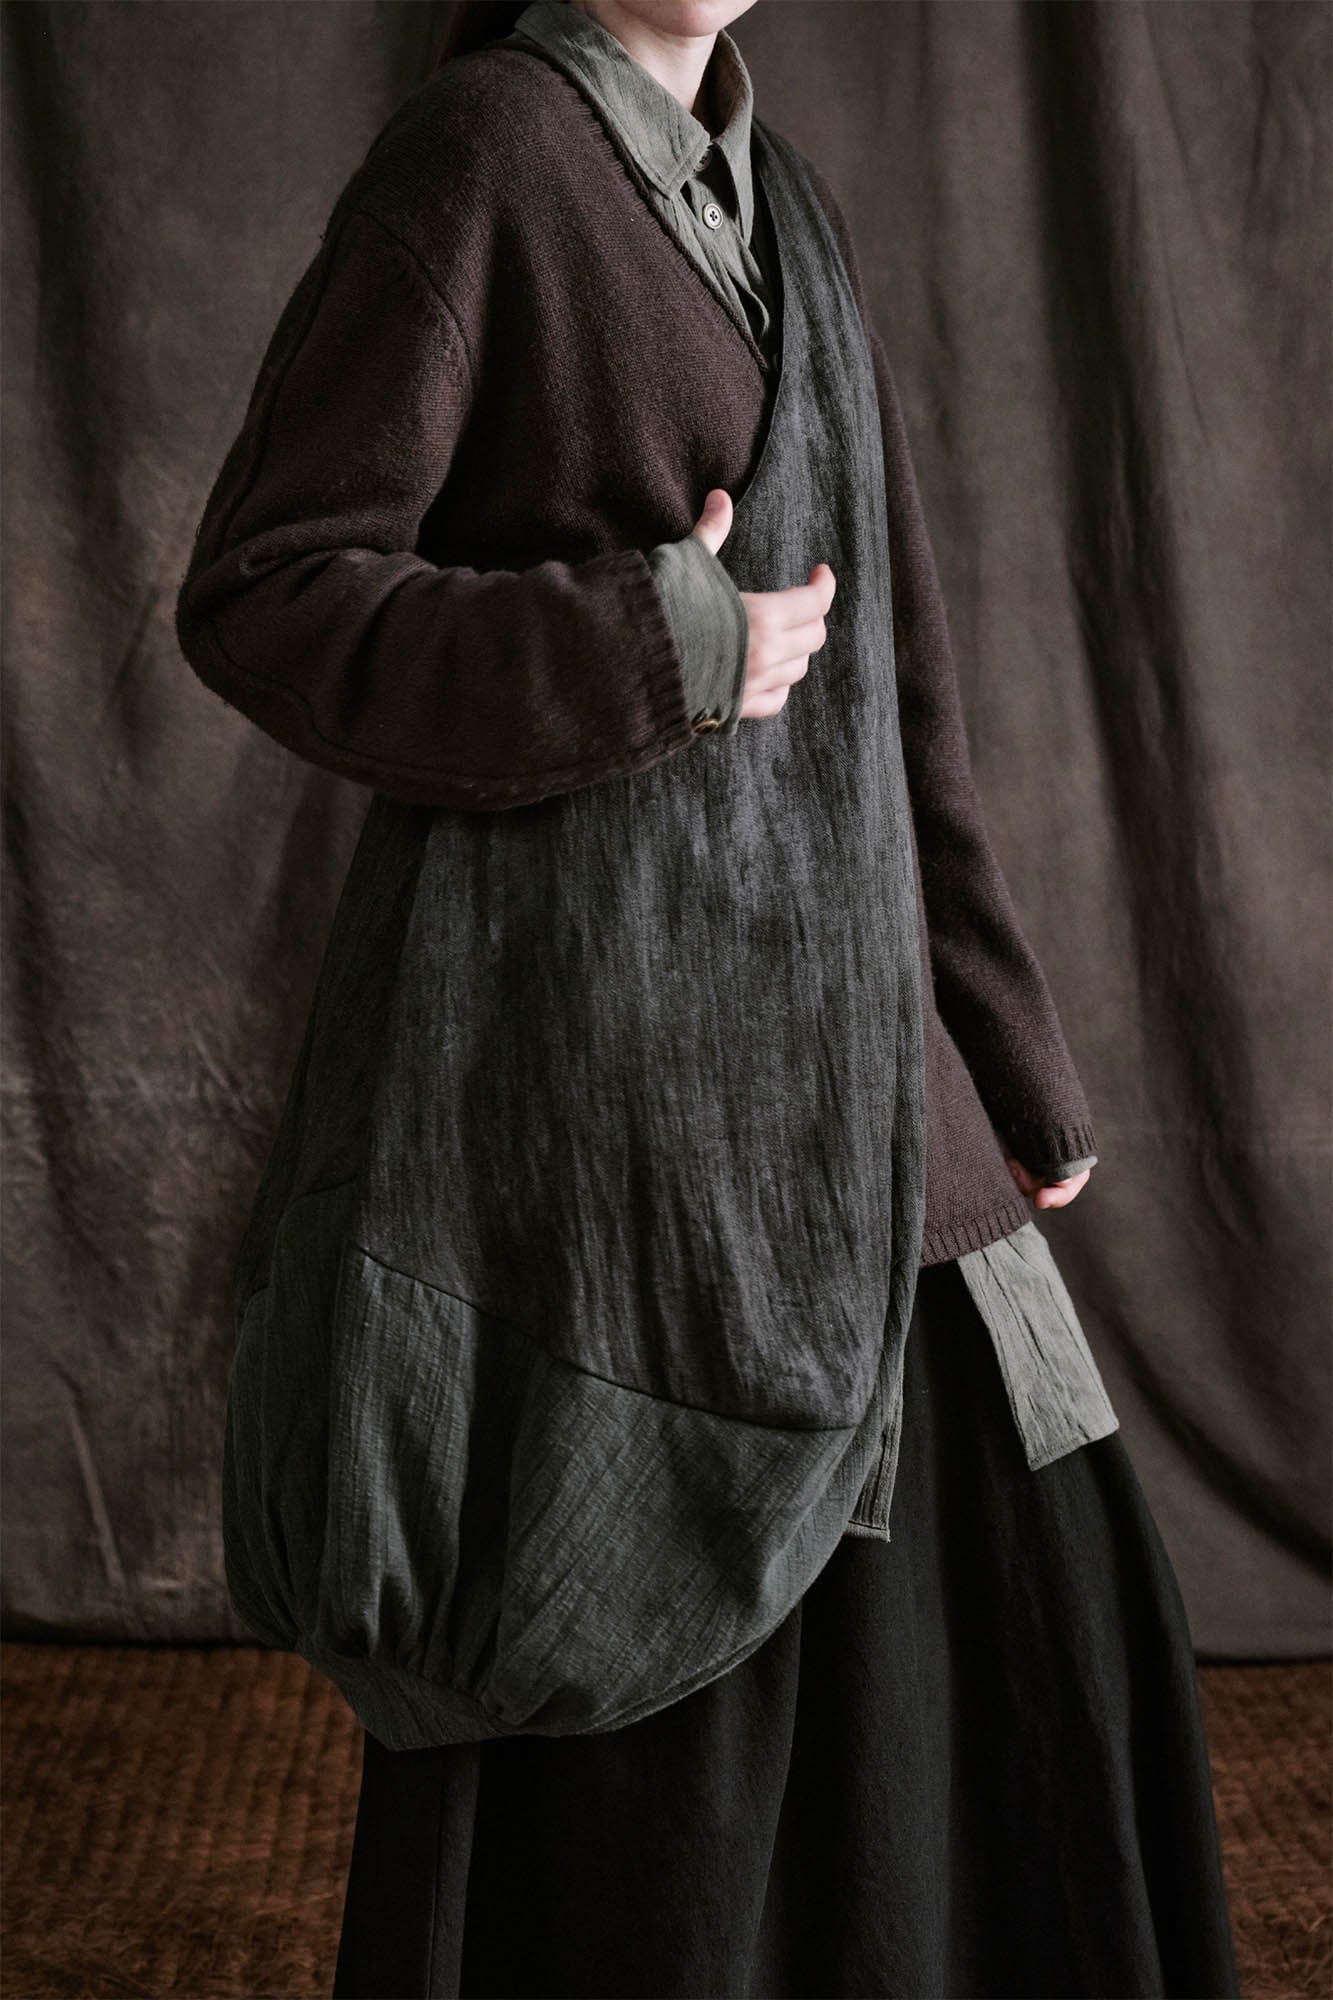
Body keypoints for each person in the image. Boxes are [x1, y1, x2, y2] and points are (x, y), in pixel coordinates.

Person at [175, 2, 1243, 1994]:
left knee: (1024, 1631)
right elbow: (267, 588)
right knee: (663, 1751)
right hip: (604, 1110)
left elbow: (893, 688)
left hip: (857, 1055)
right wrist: (655, 642)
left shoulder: (792, 213)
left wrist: (1006, 1054)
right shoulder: (483, 157)